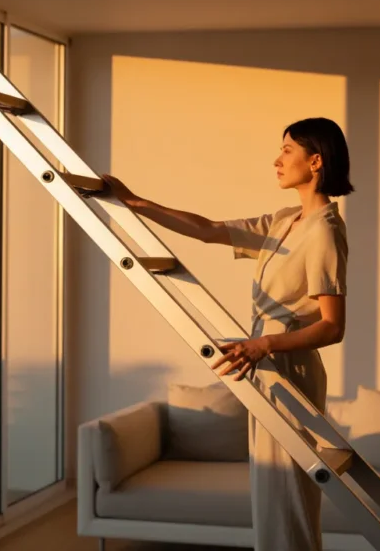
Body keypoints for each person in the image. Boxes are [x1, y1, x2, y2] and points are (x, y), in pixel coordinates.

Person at [100, 116, 352, 551]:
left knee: (288, 495)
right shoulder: (285, 221)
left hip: (288, 369)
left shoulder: (325, 231)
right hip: (265, 366)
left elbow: (332, 326)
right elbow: (209, 230)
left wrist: (264, 344)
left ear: (315, 162)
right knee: (270, 497)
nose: (277, 160)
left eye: (287, 150)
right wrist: (136, 202)